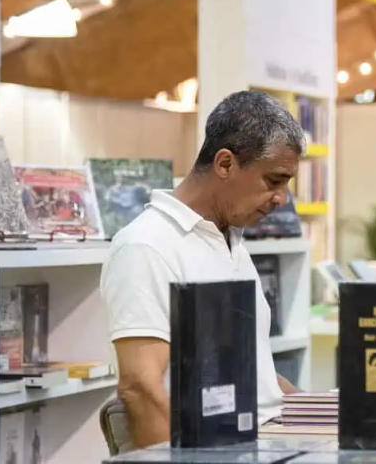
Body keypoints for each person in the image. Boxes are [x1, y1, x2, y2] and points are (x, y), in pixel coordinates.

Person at [100, 90, 304, 449]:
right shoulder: (145, 246)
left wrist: (323, 416)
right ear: (225, 164)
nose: (282, 199)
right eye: (274, 181)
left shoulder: (231, 240)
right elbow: (139, 390)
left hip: (270, 442)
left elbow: (260, 380)